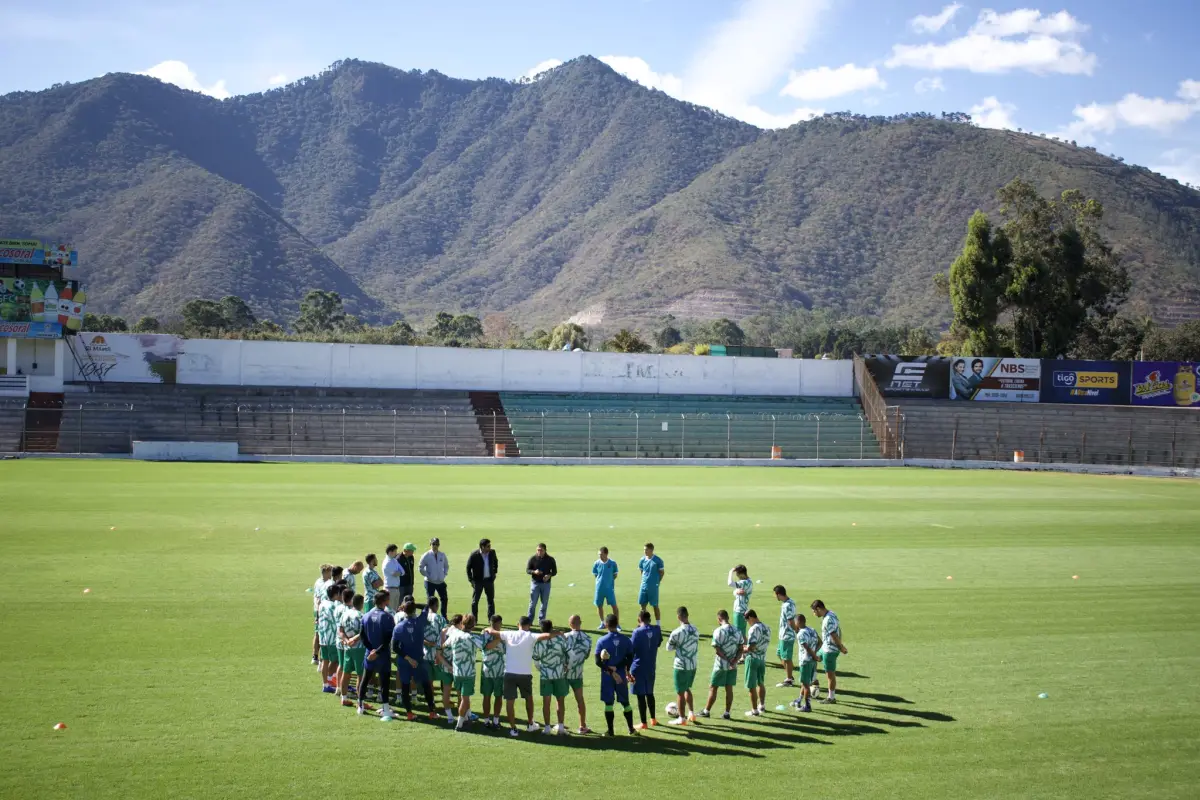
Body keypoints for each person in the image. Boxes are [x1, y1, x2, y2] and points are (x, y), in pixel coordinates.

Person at [498, 616, 556, 737]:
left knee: (510, 702)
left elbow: (494, 632)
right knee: (528, 698)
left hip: (509, 673)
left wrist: (488, 630)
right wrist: (558, 632)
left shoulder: (509, 633)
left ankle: (513, 728)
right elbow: (546, 635)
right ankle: (530, 724)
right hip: (524, 674)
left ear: (517, 624)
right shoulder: (530, 635)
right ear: (529, 625)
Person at [442, 613, 496, 731]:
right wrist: (487, 631)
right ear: (474, 625)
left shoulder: (455, 635)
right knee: (465, 699)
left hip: (456, 672)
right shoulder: (472, 638)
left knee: (461, 698)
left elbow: (444, 646)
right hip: (468, 673)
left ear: (462, 623)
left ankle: (465, 718)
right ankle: (460, 723)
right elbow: (484, 644)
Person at [392, 598, 435, 721]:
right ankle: (432, 711)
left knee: (405, 686)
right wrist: (414, 605)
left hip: (405, 661)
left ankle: (409, 713)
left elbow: (395, 647)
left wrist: (408, 659)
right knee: (426, 685)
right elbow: (427, 606)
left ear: (403, 611)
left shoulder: (398, 627)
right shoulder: (420, 621)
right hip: (419, 660)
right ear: (414, 610)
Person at [594, 614, 637, 737]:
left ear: (606, 625)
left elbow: (597, 661)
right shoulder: (626, 640)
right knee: (626, 703)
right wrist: (618, 668)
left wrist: (610, 669)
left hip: (607, 676)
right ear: (617, 623)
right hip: (621, 675)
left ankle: (611, 731)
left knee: (608, 704)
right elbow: (630, 658)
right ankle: (631, 729)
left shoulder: (601, 641)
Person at [359, 591, 396, 719]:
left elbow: (362, 636)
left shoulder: (366, 615)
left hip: (369, 654)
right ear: (384, 601)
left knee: (365, 678)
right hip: (383, 655)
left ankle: (360, 706)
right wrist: (378, 652)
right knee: (384, 681)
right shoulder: (387, 617)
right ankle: (385, 709)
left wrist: (371, 651)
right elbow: (388, 638)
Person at [701, 610, 742, 720]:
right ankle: (727, 713)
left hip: (720, 665)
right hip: (733, 666)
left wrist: (727, 660)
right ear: (728, 618)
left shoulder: (718, 631)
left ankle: (706, 711)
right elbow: (741, 649)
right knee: (729, 688)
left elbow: (717, 650)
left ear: (719, 619)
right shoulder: (737, 630)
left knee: (713, 687)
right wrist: (734, 661)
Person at [532, 619, 570, 735]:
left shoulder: (538, 642)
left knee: (546, 702)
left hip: (545, 675)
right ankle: (561, 727)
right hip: (559, 674)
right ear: (552, 627)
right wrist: (567, 667)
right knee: (560, 701)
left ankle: (547, 727)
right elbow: (570, 654)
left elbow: (535, 660)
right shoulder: (560, 639)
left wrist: (541, 670)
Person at [665, 606, 699, 725]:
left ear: (678, 617)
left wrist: (678, 646)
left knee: (680, 692)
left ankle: (682, 718)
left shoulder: (676, 632)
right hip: (693, 665)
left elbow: (668, 648)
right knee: (687, 689)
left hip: (681, 666)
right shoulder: (695, 629)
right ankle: (691, 713)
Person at [629, 610, 663, 729]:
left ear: (639, 619)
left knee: (640, 695)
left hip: (638, 667)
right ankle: (653, 719)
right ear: (650, 619)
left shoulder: (637, 632)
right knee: (650, 693)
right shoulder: (657, 629)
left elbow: (630, 650)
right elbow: (658, 643)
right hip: (651, 666)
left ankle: (643, 723)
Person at [421, 597, 452, 720]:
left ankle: (431, 705)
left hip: (425, 654)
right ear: (435, 605)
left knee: (429, 681)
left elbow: (418, 636)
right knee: (445, 681)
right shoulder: (440, 619)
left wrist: (427, 643)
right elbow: (445, 635)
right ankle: (446, 704)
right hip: (438, 655)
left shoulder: (421, 618)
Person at [811, 600, 847, 704]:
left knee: (830, 674)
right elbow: (838, 630)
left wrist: (841, 647)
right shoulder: (831, 614)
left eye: (814, 611)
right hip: (825, 647)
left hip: (830, 650)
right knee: (812, 658)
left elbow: (834, 635)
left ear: (818, 609)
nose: (814, 614)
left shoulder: (828, 619)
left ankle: (831, 698)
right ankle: (814, 681)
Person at [562, 615, 593, 734]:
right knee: (580, 700)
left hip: (564, 673)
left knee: (560, 700)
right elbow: (586, 656)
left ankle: (561, 724)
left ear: (570, 624)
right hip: (578, 673)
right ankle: (582, 725)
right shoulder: (588, 639)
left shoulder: (564, 637)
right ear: (580, 623)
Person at [337, 594, 366, 707]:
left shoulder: (345, 614)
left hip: (347, 647)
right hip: (359, 648)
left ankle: (343, 698)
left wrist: (346, 640)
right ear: (361, 603)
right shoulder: (361, 616)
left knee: (346, 672)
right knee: (360, 674)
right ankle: (360, 702)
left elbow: (340, 630)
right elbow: (363, 632)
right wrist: (354, 639)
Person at [479, 615, 507, 728]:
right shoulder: (501, 636)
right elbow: (486, 647)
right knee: (498, 696)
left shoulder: (484, 633)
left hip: (486, 669)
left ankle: (487, 720)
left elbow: (484, 647)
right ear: (500, 623)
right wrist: (499, 638)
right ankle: (495, 720)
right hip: (499, 670)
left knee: (487, 696)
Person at [742, 610, 770, 716]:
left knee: (751, 686)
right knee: (761, 683)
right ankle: (761, 705)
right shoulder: (766, 627)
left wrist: (741, 649)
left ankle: (754, 710)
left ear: (750, 618)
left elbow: (751, 647)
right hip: (762, 658)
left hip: (752, 659)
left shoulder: (753, 629)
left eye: (747, 620)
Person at [791, 613, 821, 712]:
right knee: (805, 683)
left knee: (806, 684)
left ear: (798, 622)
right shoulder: (812, 630)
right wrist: (815, 653)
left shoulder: (800, 634)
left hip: (805, 661)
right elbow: (820, 642)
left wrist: (814, 655)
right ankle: (799, 700)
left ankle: (807, 706)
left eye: (795, 622)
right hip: (812, 661)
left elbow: (807, 648)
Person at [316, 583, 341, 692]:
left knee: (325, 661)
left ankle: (325, 684)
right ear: (336, 595)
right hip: (332, 637)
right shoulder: (334, 606)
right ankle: (332, 680)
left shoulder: (322, 604)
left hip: (323, 636)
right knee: (335, 660)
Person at [774, 585, 800, 688]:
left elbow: (790, 620)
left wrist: (796, 630)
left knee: (786, 657)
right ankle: (789, 674)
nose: (775, 597)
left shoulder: (787, 605)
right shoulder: (789, 602)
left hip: (787, 635)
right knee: (779, 653)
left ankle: (789, 679)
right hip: (783, 634)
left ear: (779, 594)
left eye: (775, 595)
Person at [466, 539, 499, 621]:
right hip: (478, 581)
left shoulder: (492, 552)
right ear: (482, 547)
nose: (490, 548)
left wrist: (494, 573)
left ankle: (491, 620)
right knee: (475, 602)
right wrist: (471, 580)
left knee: (491, 601)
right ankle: (474, 620)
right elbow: (468, 567)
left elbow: (495, 562)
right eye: (488, 546)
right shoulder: (474, 555)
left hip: (489, 580)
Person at [526, 543, 557, 623]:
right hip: (535, 583)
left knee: (544, 603)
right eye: (537, 550)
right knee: (532, 603)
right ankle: (529, 620)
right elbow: (528, 570)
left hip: (546, 584)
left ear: (545, 550)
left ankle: (541, 621)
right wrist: (534, 571)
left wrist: (549, 576)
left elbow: (554, 571)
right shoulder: (533, 558)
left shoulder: (550, 559)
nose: (539, 552)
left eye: (541, 550)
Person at [419, 538, 450, 615]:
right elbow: (420, 567)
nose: (435, 546)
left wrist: (444, 574)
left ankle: (443, 616)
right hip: (430, 582)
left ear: (439, 545)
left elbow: (446, 566)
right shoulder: (426, 555)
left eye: (436, 544)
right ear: (430, 544)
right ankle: (429, 616)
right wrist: (427, 575)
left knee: (444, 599)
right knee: (430, 601)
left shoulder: (442, 555)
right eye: (433, 544)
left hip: (440, 581)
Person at [592, 547, 619, 630]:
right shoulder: (596, 563)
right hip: (599, 588)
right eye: (599, 554)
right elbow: (596, 574)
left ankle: (617, 624)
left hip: (609, 589)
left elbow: (615, 575)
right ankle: (602, 623)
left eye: (601, 554)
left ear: (606, 554)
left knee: (614, 606)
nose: (600, 556)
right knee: (599, 605)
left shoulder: (612, 563)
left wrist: (608, 582)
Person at [637, 543, 665, 623]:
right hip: (643, 586)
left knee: (655, 605)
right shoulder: (642, 560)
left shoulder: (657, 560)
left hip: (653, 587)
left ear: (651, 550)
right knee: (642, 606)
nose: (644, 551)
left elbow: (662, 572)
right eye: (644, 549)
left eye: (646, 550)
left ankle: (658, 624)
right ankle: (642, 623)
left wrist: (657, 582)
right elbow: (642, 571)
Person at [312, 563, 333, 665]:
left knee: (323, 632)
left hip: (325, 610)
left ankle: (321, 657)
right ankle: (315, 656)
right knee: (318, 633)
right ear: (325, 572)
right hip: (320, 611)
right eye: (330, 572)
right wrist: (318, 612)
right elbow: (317, 598)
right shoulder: (319, 583)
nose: (331, 574)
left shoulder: (329, 582)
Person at [728, 565, 753, 639]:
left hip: (739, 610)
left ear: (741, 574)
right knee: (742, 633)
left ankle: (742, 650)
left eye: (737, 575)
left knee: (739, 634)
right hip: (744, 609)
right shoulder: (749, 581)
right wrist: (735, 592)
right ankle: (745, 649)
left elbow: (730, 583)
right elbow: (737, 592)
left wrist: (730, 572)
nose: (738, 577)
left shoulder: (743, 582)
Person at [383, 545, 405, 613]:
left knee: (395, 611)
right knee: (390, 611)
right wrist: (399, 573)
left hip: (396, 589)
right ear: (390, 552)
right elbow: (395, 574)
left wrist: (399, 573)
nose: (396, 553)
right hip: (390, 589)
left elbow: (403, 571)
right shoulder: (387, 562)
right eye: (395, 551)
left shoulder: (394, 560)